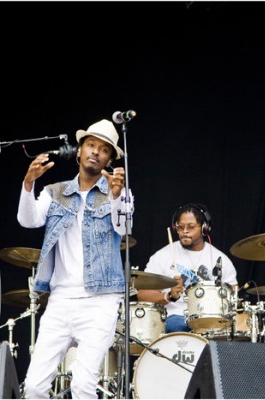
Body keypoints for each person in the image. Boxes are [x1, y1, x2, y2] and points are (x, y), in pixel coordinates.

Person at [17, 118, 133, 399]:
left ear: (108, 158)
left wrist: (116, 197)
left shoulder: (121, 192)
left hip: (100, 300)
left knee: (82, 384)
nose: (95, 151)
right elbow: (27, 219)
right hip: (60, 300)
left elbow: (125, 228)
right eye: (90, 145)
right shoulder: (55, 192)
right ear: (79, 151)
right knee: (33, 387)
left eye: (103, 149)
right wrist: (28, 183)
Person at [137, 203, 238, 333]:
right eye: (180, 227)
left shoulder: (220, 259)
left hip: (211, 321)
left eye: (190, 227)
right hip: (175, 317)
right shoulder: (163, 256)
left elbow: (234, 296)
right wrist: (169, 296)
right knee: (178, 326)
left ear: (204, 228)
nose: (184, 231)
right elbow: (143, 295)